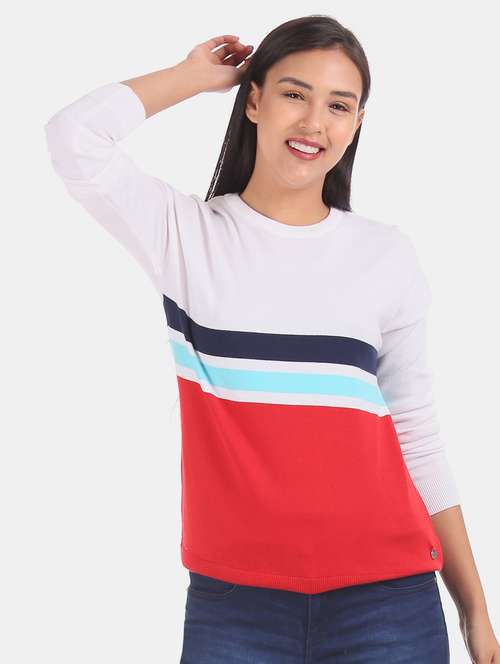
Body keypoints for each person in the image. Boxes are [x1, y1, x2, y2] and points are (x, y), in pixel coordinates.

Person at [44, 14, 499, 664]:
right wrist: (194, 76)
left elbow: (417, 434)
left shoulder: (386, 256)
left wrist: (473, 607)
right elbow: (74, 137)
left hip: (390, 603)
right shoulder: (186, 237)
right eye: (293, 94)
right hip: (236, 606)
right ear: (253, 101)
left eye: (338, 105)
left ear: (356, 124)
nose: (314, 122)